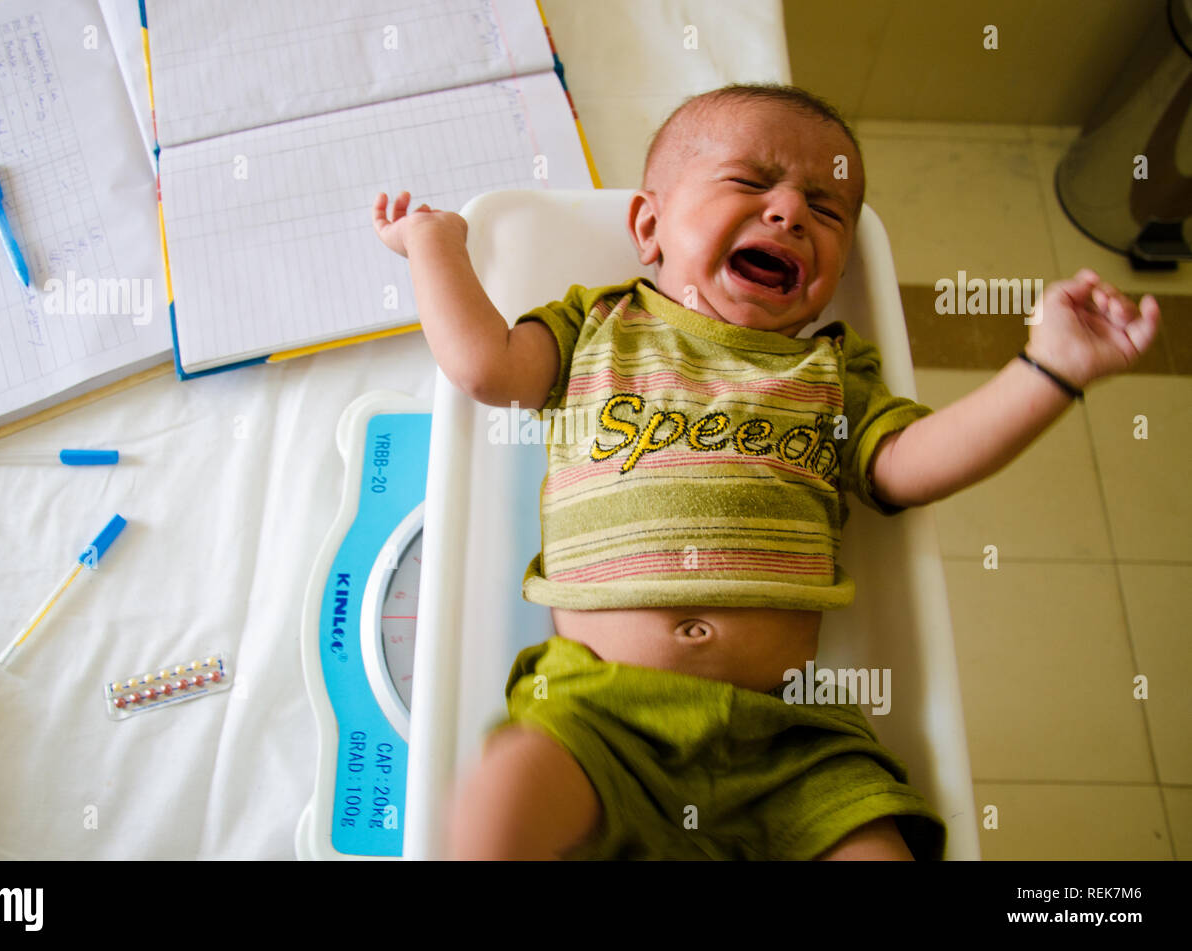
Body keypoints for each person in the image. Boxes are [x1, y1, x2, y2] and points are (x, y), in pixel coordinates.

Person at [372, 83, 1162, 860]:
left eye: (826, 209)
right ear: (649, 225)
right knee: (495, 806)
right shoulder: (596, 325)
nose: (788, 212)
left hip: (786, 733)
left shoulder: (832, 372)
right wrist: (436, 245)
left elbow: (910, 465)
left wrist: (1046, 370)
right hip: (602, 715)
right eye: (750, 183)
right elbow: (483, 367)